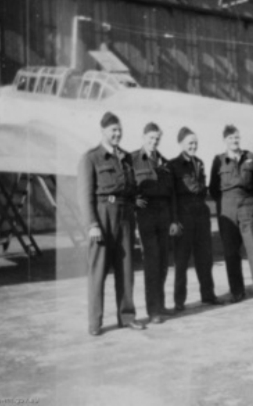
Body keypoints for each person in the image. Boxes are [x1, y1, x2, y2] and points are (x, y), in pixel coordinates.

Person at [77, 111, 145, 336]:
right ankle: (95, 323)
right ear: (103, 131)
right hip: (103, 216)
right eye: (113, 130)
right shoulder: (91, 158)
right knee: (98, 273)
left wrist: (135, 200)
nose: (117, 134)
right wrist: (92, 225)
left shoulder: (126, 158)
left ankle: (127, 317)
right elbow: (84, 195)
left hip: (125, 216)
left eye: (119, 130)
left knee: (126, 270)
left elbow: (131, 186)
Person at [209, 124, 253, 305]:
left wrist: (247, 198)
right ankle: (237, 291)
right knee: (230, 251)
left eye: (237, 137)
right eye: (231, 138)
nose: (234, 141)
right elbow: (213, 187)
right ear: (225, 140)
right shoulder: (218, 160)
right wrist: (225, 203)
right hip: (227, 207)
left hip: (246, 204)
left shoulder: (250, 158)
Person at [169, 127, 223, 311]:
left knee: (205, 258)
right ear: (181, 144)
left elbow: (202, 188)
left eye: (195, 143)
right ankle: (179, 301)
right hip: (184, 216)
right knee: (181, 261)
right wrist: (175, 220)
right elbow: (173, 196)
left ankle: (208, 295)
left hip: (201, 215)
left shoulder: (199, 162)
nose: (193, 146)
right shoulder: (173, 165)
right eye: (190, 143)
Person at [131, 123, 179, 325]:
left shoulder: (165, 163)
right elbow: (124, 185)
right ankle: (152, 310)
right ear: (143, 137)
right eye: (150, 138)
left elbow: (173, 195)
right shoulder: (132, 159)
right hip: (146, 215)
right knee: (151, 263)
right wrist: (133, 202)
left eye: (157, 139)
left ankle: (160, 305)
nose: (154, 142)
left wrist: (174, 219)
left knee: (163, 263)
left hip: (164, 215)